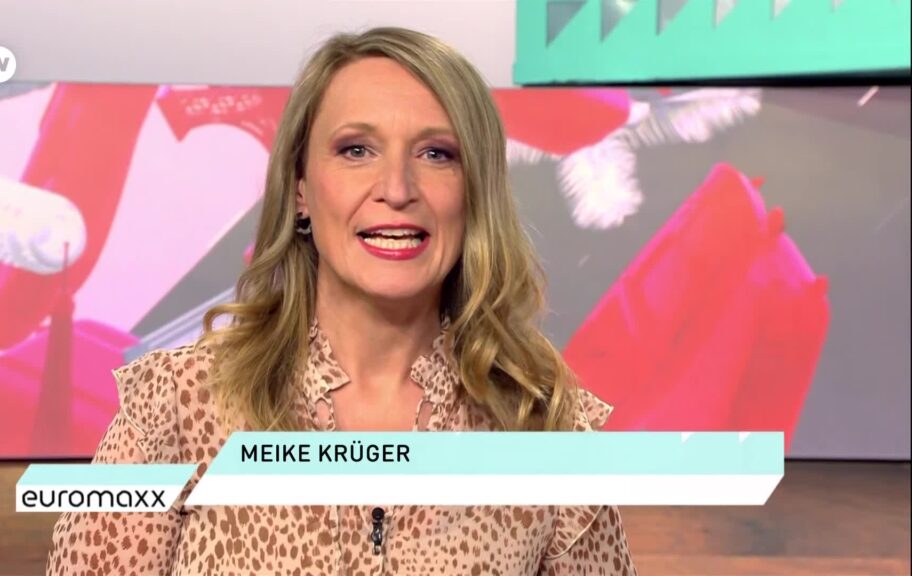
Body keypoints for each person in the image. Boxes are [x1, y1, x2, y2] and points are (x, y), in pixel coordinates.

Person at [47, 26, 636, 575]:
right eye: (356, 150)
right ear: (301, 189)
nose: (397, 190)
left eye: (437, 154)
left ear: (476, 192)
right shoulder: (175, 405)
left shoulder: (546, 429)